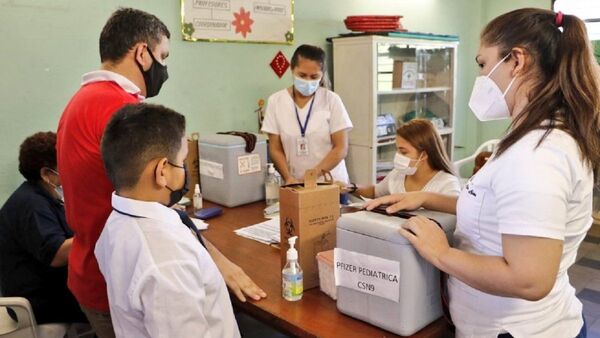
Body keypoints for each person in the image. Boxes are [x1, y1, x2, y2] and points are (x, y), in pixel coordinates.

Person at [366, 8, 599, 337]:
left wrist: (441, 253)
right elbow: (498, 205)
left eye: (483, 63)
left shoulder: (537, 156)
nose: (482, 75)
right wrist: (426, 197)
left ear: (517, 61)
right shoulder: (531, 137)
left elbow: (529, 279)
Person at [56, 8, 264, 337]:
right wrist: (216, 261)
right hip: (124, 275)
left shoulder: (81, 100)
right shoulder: (123, 112)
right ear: (142, 53)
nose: (164, 68)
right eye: (163, 56)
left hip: (98, 265)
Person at [95, 103, 239, 337]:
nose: (184, 169)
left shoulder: (116, 222)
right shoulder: (167, 260)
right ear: (162, 171)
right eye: (182, 161)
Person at [0, 132, 86, 324]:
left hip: (51, 289)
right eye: (64, 163)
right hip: (39, 301)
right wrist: (97, 233)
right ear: (46, 174)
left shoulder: (45, 197)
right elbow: (56, 254)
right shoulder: (32, 205)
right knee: (107, 303)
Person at [261, 44, 353, 185]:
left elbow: (341, 148)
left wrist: (313, 175)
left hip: (331, 183)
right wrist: (288, 177)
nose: (308, 81)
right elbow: (275, 148)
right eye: (302, 75)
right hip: (295, 183)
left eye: (314, 76)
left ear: (322, 75)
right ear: (292, 69)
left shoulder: (331, 100)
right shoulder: (276, 101)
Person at [350, 119, 460, 198]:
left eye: (403, 152)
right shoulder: (398, 175)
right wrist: (349, 187)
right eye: (397, 150)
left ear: (424, 155)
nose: (397, 156)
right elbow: (375, 192)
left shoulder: (447, 185)